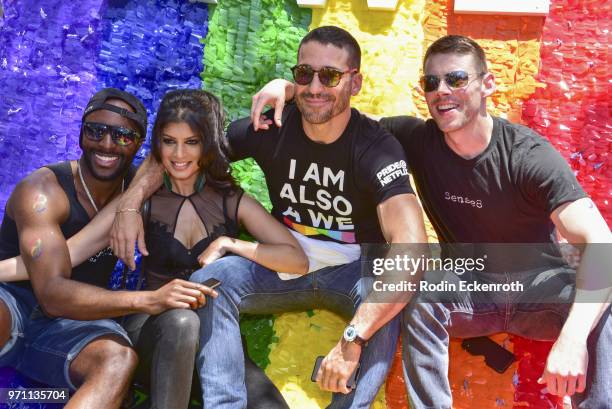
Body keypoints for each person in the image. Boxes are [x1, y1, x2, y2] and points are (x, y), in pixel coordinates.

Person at [250, 34, 612, 408]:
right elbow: (339, 114)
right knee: (421, 290)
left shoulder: (528, 156)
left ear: (487, 83)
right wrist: (291, 88)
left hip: (540, 289)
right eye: (431, 82)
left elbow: (601, 244)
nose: (442, 91)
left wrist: (572, 340)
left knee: (604, 297)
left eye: (456, 79)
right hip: (472, 288)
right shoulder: (416, 138)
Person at [110, 26, 428, 408]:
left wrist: (352, 339)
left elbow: (411, 248)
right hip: (284, 259)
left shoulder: (376, 147)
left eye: (329, 76)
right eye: (304, 74)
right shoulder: (270, 128)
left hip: (354, 270)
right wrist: (130, 204)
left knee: (385, 307)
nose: (314, 87)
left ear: (355, 83)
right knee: (211, 282)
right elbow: (181, 150)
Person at [0, 89, 303, 409]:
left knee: (122, 361)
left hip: (88, 326)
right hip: (33, 304)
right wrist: (150, 296)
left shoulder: (170, 189)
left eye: (123, 136)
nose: (106, 143)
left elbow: (207, 135)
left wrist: (293, 90)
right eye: (95, 130)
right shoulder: (48, 191)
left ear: (140, 143)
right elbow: (60, 276)